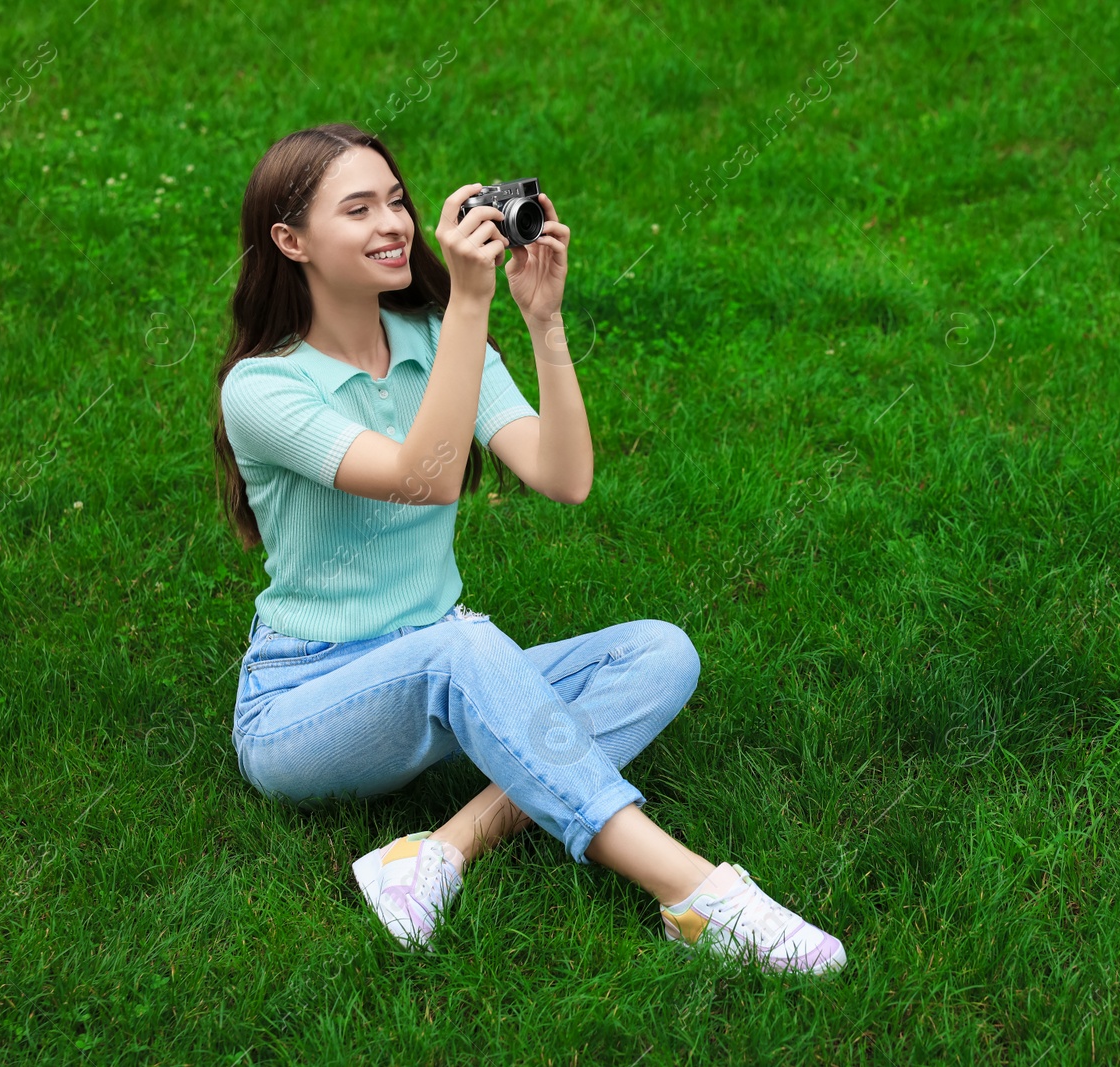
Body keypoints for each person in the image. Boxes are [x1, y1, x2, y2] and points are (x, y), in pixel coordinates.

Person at [210, 123, 846, 975]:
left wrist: (541, 324)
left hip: (436, 671)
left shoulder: (434, 337)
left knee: (659, 652)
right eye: (358, 209)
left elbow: (563, 474)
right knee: (463, 641)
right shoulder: (263, 387)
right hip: (303, 706)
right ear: (291, 243)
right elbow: (424, 477)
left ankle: (441, 849)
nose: (393, 223)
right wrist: (469, 304)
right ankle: (699, 894)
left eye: (396, 200)